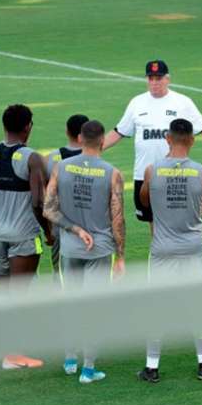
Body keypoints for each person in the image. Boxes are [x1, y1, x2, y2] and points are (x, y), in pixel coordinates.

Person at [43, 120, 126, 384]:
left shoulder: (61, 167)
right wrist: (121, 255)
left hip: (70, 246)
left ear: (79, 139)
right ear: (102, 142)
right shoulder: (112, 173)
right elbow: (117, 218)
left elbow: (49, 209)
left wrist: (75, 229)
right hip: (99, 249)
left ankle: (69, 359)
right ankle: (88, 369)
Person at [0, 104, 48, 371]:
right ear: (27, 127)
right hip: (23, 236)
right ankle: (13, 355)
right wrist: (48, 231)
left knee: (4, 293)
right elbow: (38, 202)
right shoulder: (32, 158)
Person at [137, 119, 202, 383]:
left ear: (167, 138)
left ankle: (152, 367)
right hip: (193, 247)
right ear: (192, 140)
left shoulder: (152, 170)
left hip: (162, 248)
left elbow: (145, 201)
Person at [102, 60, 202, 223]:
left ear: (167, 79)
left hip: (174, 174)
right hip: (144, 174)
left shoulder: (182, 102)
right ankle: (157, 249)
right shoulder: (137, 102)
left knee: (177, 219)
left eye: (158, 78)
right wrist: (92, 151)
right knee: (152, 221)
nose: (154, 82)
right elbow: (119, 131)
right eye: (151, 78)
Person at [45, 114, 89, 278]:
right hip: (90, 225)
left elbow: (45, 196)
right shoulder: (93, 160)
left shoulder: (51, 158)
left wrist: (47, 227)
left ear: (66, 131)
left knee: (60, 274)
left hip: (60, 225)